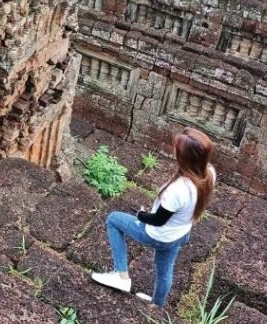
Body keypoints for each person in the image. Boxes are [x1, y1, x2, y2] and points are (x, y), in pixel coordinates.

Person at [90, 127, 216, 308]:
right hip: (180, 234)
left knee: (113, 219)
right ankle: (157, 305)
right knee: (165, 272)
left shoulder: (178, 189)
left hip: (159, 235)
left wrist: (141, 215)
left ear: (185, 157)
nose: (174, 151)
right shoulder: (210, 173)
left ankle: (121, 276)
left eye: (177, 149)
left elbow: (158, 220)